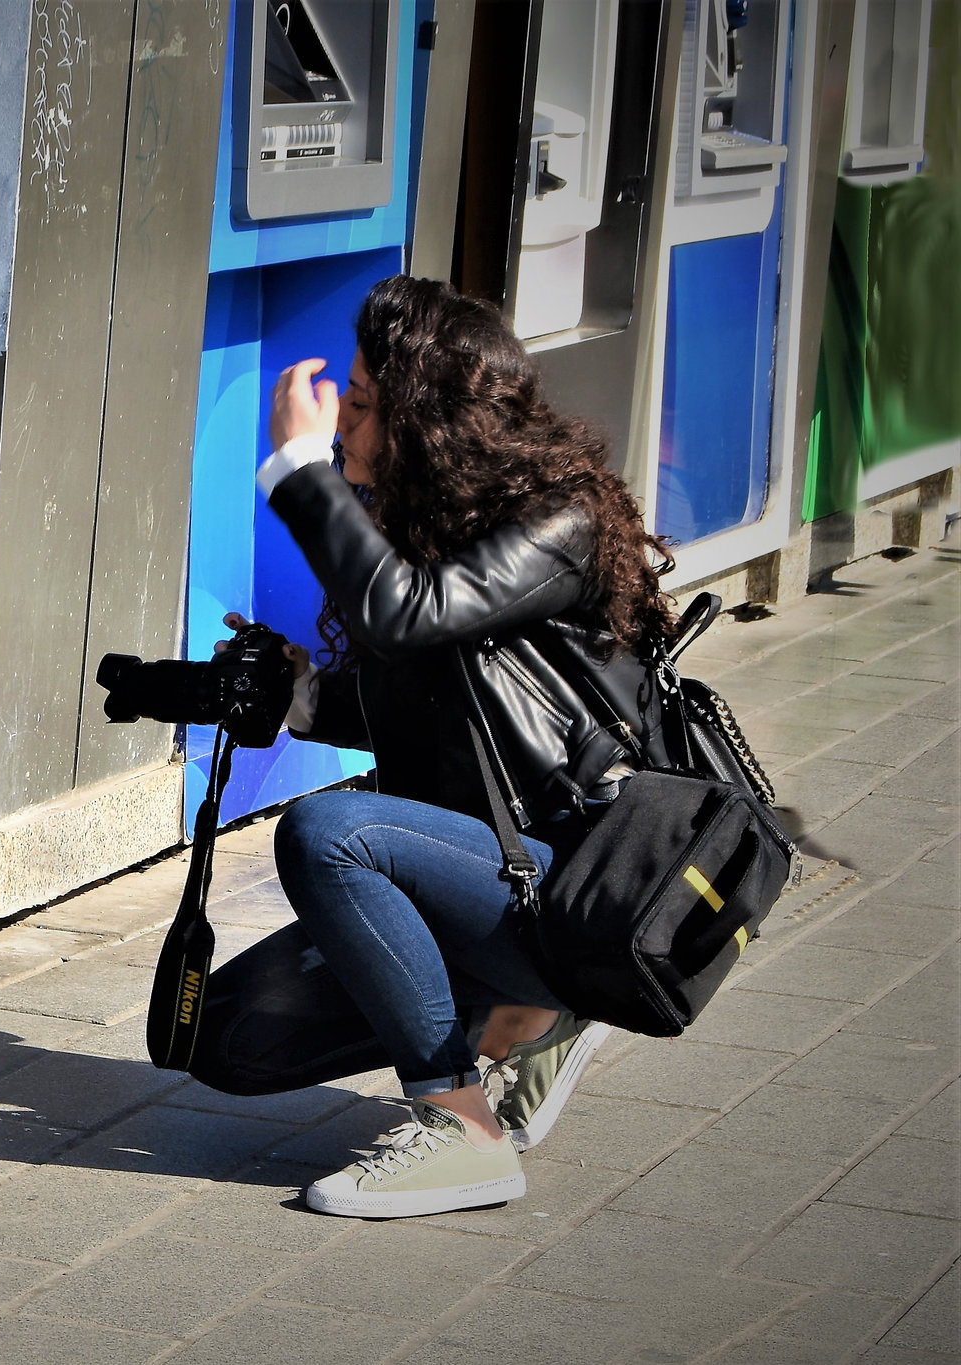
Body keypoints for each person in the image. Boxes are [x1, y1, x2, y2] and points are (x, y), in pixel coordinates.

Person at [244, 274, 677, 1218]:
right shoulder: (436, 523)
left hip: (576, 884)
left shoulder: (561, 523)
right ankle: (530, 1022)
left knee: (327, 836)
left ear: (426, 419)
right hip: (504, 863)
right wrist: (305, 699)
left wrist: (300, 473)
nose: (341, 428)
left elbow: (409, 615)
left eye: (359, 408)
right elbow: (436, 695)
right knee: (239, 1038)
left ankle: (463, 1130)